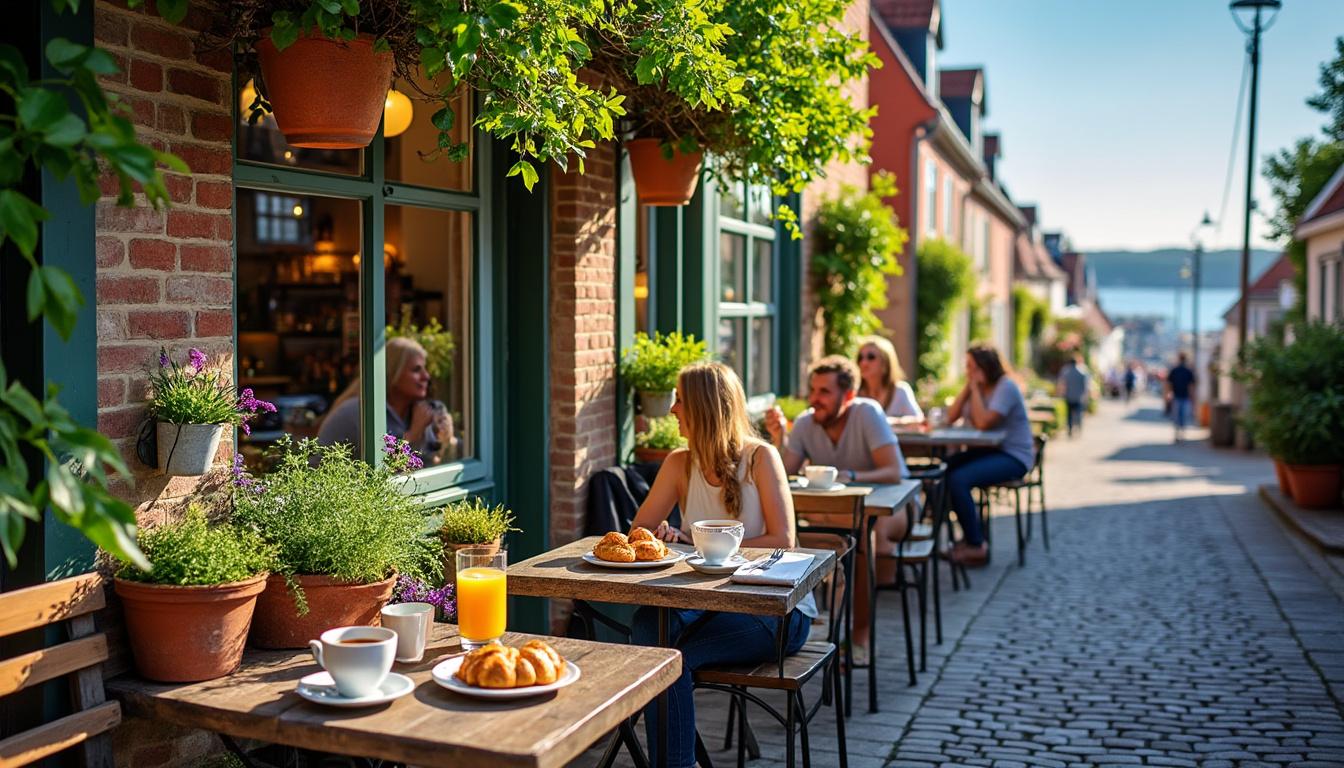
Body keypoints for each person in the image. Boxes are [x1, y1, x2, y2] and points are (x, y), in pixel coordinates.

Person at [629, 362, 812, 768]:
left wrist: (703, 545)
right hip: (705, 603)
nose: (672, 409)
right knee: (646, 626)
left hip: (774, 610)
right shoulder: (679, 462)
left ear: (703, 408)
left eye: (680, 400)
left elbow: (783, 542)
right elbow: (638, 531)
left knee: (672, 656)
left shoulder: (761, 458)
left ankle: (674, 763)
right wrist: (661, 536)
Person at [764, 355, 907, 658]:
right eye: (813, 390)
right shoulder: (806, 422)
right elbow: (783, 473)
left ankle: (859, 638)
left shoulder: (867, 414)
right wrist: (779, 439)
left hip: (890, 509)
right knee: (789, 537)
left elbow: (894, 471)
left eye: (825, 392)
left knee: (866, 537)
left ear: (849, 395)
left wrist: (851, 476)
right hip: (837, 514)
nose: (815, 399)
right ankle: (799, 625)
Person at [943, 343, 1034, 566]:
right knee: (944, 470)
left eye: (971, 366)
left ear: (985, 366)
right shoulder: (978, 386)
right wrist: (969, 387)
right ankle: (968, 537)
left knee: (959, 479)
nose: (968, 371)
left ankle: (976, 545)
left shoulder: (1006, 387)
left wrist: (973, 387)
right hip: (988, 450)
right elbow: (950, 417)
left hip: (1013, 456)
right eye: (967, 366)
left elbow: (984, 423)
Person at [317, 336, 455, 462]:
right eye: (416, 370)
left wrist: (446, 440)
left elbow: (432, 464)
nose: (426, 376)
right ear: (392, 373)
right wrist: (413, 434)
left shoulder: (421, 411)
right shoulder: (358, 412)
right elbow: (384, 474)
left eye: (424, 369)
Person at [856, 336, 924, 423]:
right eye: (860, 358)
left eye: (871, 357)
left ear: (885, 363)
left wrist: (891, 421)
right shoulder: (854, 393)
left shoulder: (900, 390)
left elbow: (918, 420)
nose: (863, 363)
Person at [1056, 354, 1090, 437]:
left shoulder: (1066, 373)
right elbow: (1085, 386)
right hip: (1079, 397)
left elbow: (1062, 384)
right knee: (1078, 413)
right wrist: (1086, 396)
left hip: (1069, 396)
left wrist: (1060, 393)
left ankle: (1070, 429)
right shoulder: (1082, 373)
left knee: (1069, 414)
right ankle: (1079, 427)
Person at [1167, 352, 1196, 441]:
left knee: (1177, 416)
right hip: (1183, 396)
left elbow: (1169, 384)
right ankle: (1181, 434)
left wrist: (1168, 394)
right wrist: (1192, 397)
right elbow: (1191, 386)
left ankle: (1178, 434)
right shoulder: (1187, 371)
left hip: (1178, 396)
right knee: (1182, 416)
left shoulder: (1176, 370)